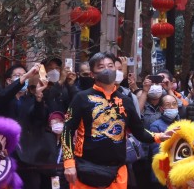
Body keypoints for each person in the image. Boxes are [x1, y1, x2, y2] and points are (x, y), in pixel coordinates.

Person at [62, 52, 170, 189]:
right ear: (92, 74)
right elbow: (67, 131)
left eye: (110, 65)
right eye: (101, 67)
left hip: (117, 171)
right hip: (86, 169)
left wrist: (159, 136)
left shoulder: (126, 101)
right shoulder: (81, 98)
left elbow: (139, 131)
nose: (107, 69)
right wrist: (69, 163)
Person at [17, 78, 65, 189]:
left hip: (52, 164)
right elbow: (37, 115)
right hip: (33, 157)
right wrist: (38, 99)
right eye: (35, 87)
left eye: (47, 86)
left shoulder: (54, 100)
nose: (43, 88)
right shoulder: (26, 102)